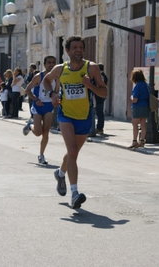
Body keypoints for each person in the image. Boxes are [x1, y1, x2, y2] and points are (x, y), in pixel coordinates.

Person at [43, 35, 107, 209]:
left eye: (81, 47)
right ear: (67, 51)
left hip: (85, 116)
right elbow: (46, 81)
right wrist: (53, 94)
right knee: (72, 151)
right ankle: (74, 194)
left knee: (72, 153)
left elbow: (104, 92)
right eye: (75, 48)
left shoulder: (91, 68)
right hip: (66, 115)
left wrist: (90, 85)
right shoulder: (60, 69)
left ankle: (60, 173)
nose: (78, 50)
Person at [23, 56, 58, 165]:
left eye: (53, 63)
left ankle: (41, 155)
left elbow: (56, 91)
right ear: (44, 64)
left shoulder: (56, 77)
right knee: (38, 133)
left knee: (46, 132)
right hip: (38, 106)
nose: (51, 65)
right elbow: (27, 90)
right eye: (49, 63)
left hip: (49, 106)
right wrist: (35, 99)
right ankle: (30, 126)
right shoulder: (39, 76)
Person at [128, 69, 149, 148]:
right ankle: (142, 140)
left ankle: (134, 141)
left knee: (134, 123)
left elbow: (135, 99)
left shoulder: (137, 86)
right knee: (143, 123)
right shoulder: (146, 84)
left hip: (138, 105)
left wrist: (131, 97)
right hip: (145, 105)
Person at [95, 63, 108, 134]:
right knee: (99, 111)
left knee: (99, 112)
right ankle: (99, 127)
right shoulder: (103, 76)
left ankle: (99, 127)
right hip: (100, 95)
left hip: (99, 95)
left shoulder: (100, 77)